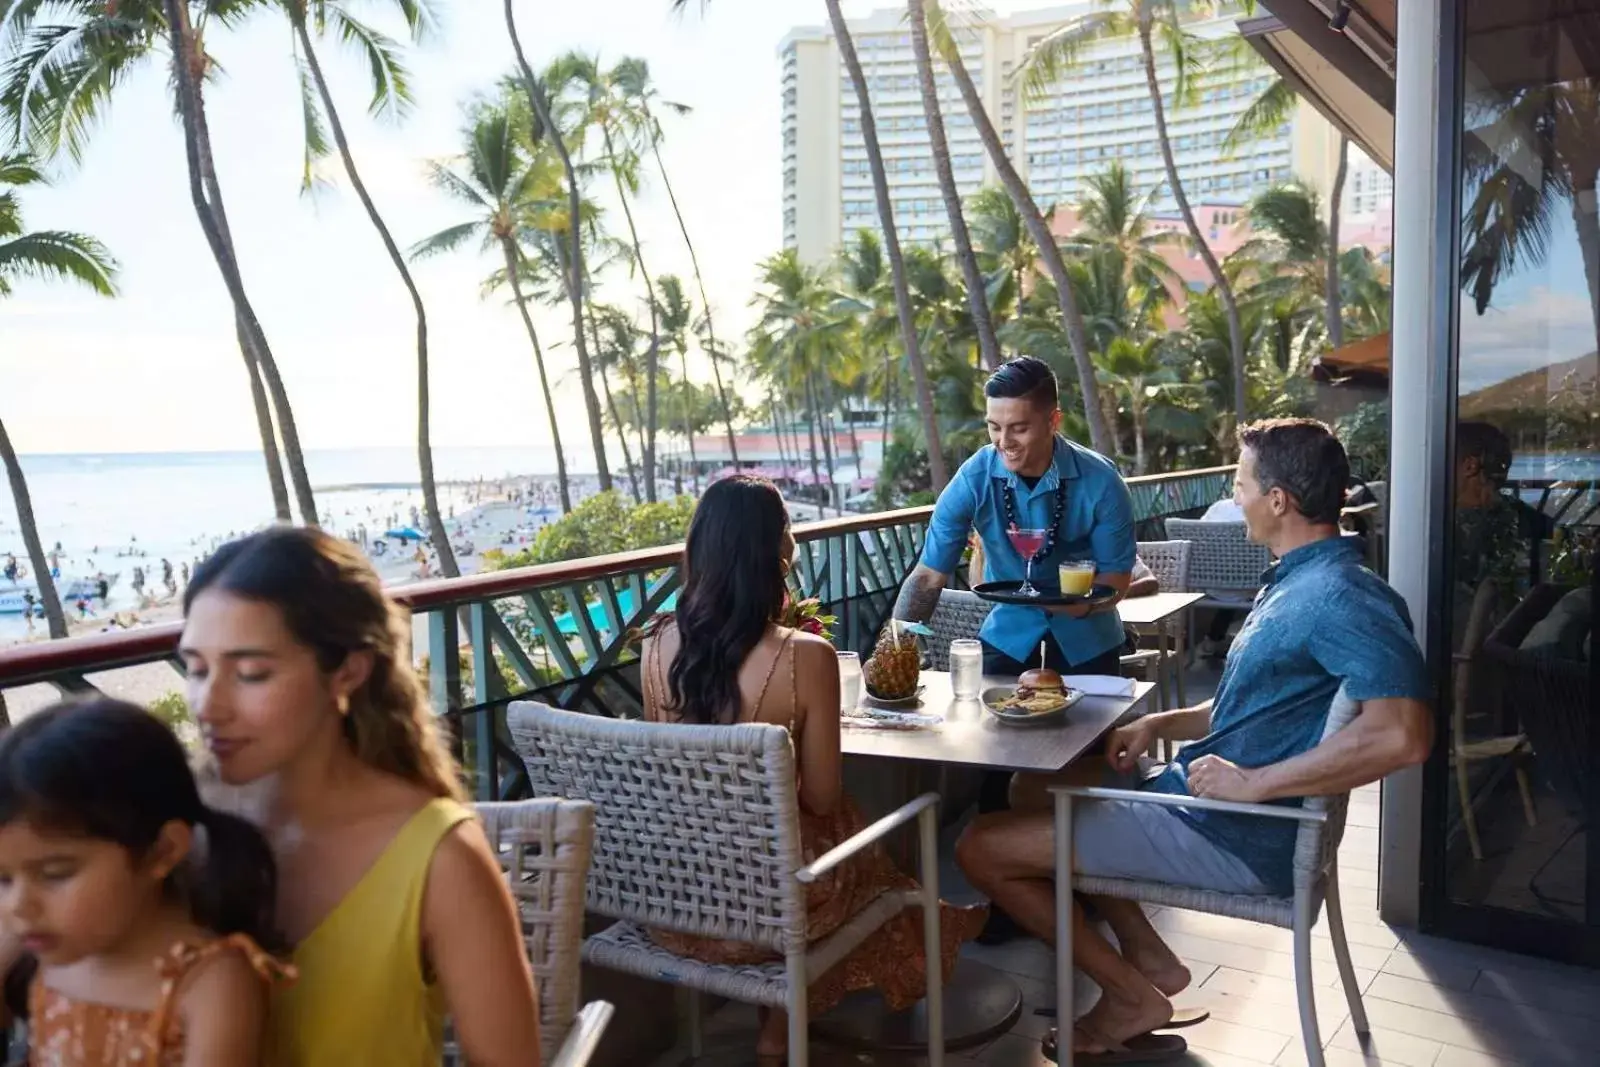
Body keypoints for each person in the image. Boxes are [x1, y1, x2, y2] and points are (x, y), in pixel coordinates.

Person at [955, 419, 1434, 1062]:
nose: (1234, 497)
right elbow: (1255, 707)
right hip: (1206, 801)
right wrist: (1161, 724)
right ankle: (1149, 953)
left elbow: (1405, 736)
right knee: (1033, 785)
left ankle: (1128, 993)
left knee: (979, 848)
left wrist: (1255, 783)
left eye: (1239, 484)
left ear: (1278, 500)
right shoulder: (1299, 579)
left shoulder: (1341, 598)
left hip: (1233, 829)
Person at [640, 476, 986, 1061]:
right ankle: (805, 1014)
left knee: (771, 845)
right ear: (778, 552)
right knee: (855, 839)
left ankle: (779, 1027)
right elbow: (822, 797)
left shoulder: (656, 645)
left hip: (677, 899)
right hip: (781, 905)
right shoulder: (805, 656)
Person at [178, 527, 541, 1066]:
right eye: (196, 669)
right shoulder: (174, 826)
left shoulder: (439, 858)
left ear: (347, 670)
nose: (209, 706)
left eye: (251, 673)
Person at [0, 699, 291, 1064]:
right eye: (3, 880)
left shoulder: (208, 984)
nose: (18, 905)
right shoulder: (49, 943)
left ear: (163, 851)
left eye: (56, 873)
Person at [893, 356, 1137, 680]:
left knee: (1098, 732)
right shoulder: (973, 478)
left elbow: (1116, 581)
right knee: (988, 728)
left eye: (1019, 428)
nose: (1004, 442)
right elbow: (928, 576)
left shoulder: (1103, 481)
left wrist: (1078, 605)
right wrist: (893, 650)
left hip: (1089, 643)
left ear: (1053, 422)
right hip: (1008, 638)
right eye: (994, 427)